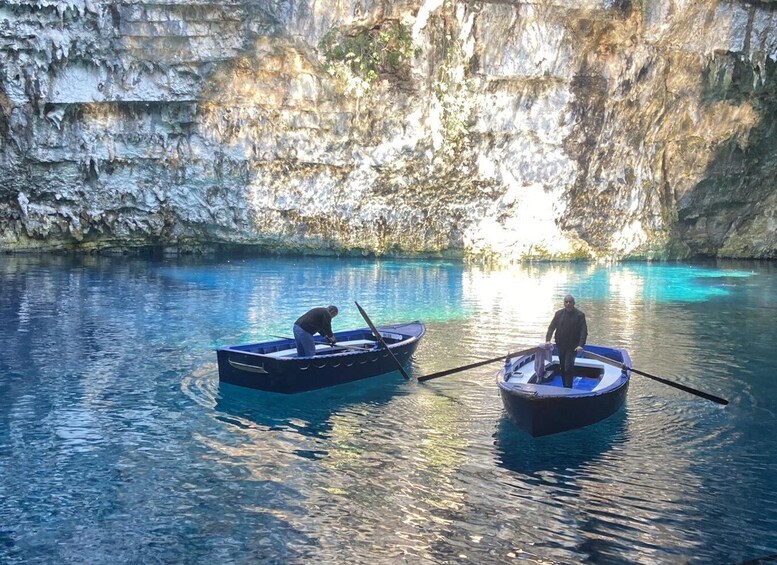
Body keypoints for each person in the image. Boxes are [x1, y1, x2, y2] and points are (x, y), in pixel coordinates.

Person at [545, 294, 587, 388]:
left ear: (574, 303)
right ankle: (565, 386)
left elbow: (583, 331)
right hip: (560, 345)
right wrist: (548, 340)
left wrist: (581, 345)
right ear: (564, 303)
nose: (568, 304)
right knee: (563, 367)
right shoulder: (558, 314)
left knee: (568, 367)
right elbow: (551, 328)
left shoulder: (580, 315)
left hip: (573, 346)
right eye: (566, 302)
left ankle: (568, 388)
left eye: (570, 302)